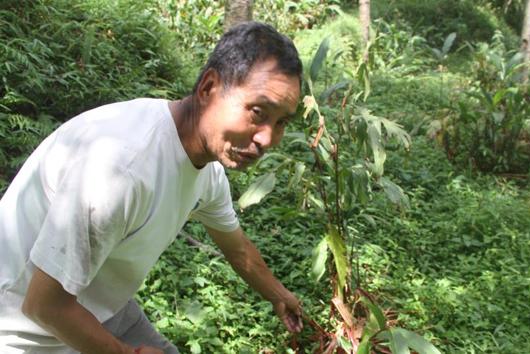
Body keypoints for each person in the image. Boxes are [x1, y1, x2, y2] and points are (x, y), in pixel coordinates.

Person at [0, 21, 303, 354]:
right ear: (208, 88)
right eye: (258, 112)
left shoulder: (207, 167)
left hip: (101, 305)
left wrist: (279, 295)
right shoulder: (120, 170)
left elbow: (238, 249)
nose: (267, 138)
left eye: (282, 122)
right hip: (25, 332)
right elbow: (44, 306)